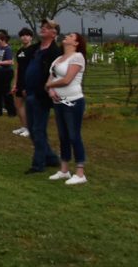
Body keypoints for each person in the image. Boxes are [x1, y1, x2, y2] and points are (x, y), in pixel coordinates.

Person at [46, 32, 89, 185]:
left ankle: (80, 172)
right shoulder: (58, 59)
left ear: (76, 43)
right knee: (63, 136)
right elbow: (50, 77)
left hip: (73, 101)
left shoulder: (77, 57)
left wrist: (49, 86)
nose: (67, 37)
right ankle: (64, 170)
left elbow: (67, 79)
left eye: (71, 36)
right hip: (59, 102)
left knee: (74, 135)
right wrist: (50, 91)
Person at [23, 19, 63, 174]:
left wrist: (44, 90)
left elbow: (55, 74)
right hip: (30, 92)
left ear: (54, 33)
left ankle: (38, 164)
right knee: (32, 130)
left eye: (47, 27)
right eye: (42, 27)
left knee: (39, 129)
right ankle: (51, 158)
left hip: (42, 96)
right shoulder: (35, 49)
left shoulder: (55, 53)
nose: (43, 29)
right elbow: (22, 61)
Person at [10, 27, 34, 137]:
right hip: (19, 81)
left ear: (31, 37)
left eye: (27, 35)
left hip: (29, 81)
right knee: (18, 104)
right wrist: (15, 83)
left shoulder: (33, 50)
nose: (24, 37)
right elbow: (17, 68)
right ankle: (24, 126)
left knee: (29, 106)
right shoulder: (20, 51)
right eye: (22, 35)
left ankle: (30, 128)